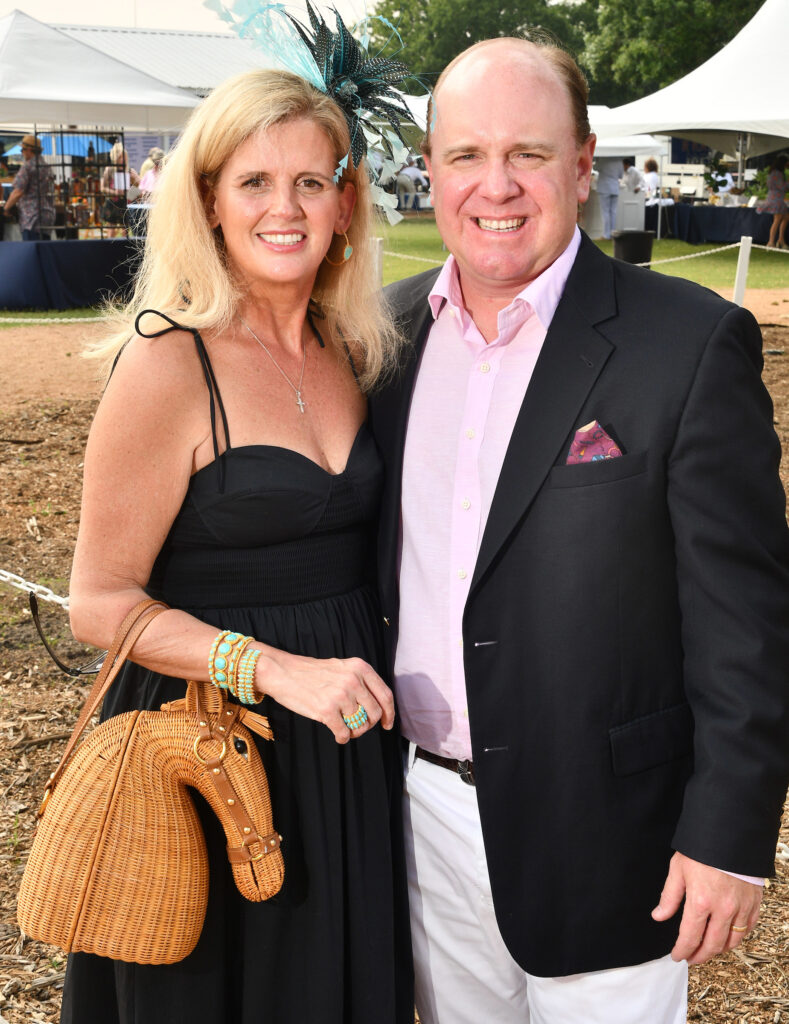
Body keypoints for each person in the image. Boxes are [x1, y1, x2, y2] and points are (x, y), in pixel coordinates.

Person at [370, 36, 789, 1024]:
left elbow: (748, 619)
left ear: (582, 160)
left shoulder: (685, 343)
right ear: (429, 169)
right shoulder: (380, 342)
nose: (496, 186)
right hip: (417, 823)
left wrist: (729, 833)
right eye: (467, 155)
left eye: (529, 153)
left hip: (613, 838)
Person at [61, 64, 412, 1024]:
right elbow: (97, 602)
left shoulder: (360, 346)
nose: (284, 207)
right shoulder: (168, 359)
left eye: (310, 181)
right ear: (210, 201)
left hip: (344, 750)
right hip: (212, 751)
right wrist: (275, 670)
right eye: (254, 182)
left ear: (345, 204)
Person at [3, 135, 55, 240]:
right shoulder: (46, 167)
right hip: (47, 215)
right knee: (43, 252)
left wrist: (6, 208)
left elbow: (18, 192)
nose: (21, 152)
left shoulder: (27, 167)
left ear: (29, 150)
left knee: (32, 252)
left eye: (22, 149)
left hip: (31, 218)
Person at [100, 141, 140, 232]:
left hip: (125, 203)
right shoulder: (109, 170)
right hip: (112, 202)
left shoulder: (129, 171)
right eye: (119, 157)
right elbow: (102, 188)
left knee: (125, 230)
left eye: (123, 157)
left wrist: (130, 190)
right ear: (115, 158)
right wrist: (114, 192)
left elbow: (138, 189)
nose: (122, 159)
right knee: (111, 230)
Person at [763, 153, 788, 248]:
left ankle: (780, 240)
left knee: (785, 218)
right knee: (777, 220)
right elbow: (782, 187)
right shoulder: (777, 173)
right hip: (776, 199)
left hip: (774, 198)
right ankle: (771, 242)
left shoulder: (772, 172)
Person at [594, 155, 622, 238]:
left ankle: (606, 235)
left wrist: (598, 159)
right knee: (613, 212)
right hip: (615, 188)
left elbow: (595, 167)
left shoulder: (603, 159)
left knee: (605, 212)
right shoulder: (619, 161)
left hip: (604, 188)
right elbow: (621, 175)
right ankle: (612, 233)